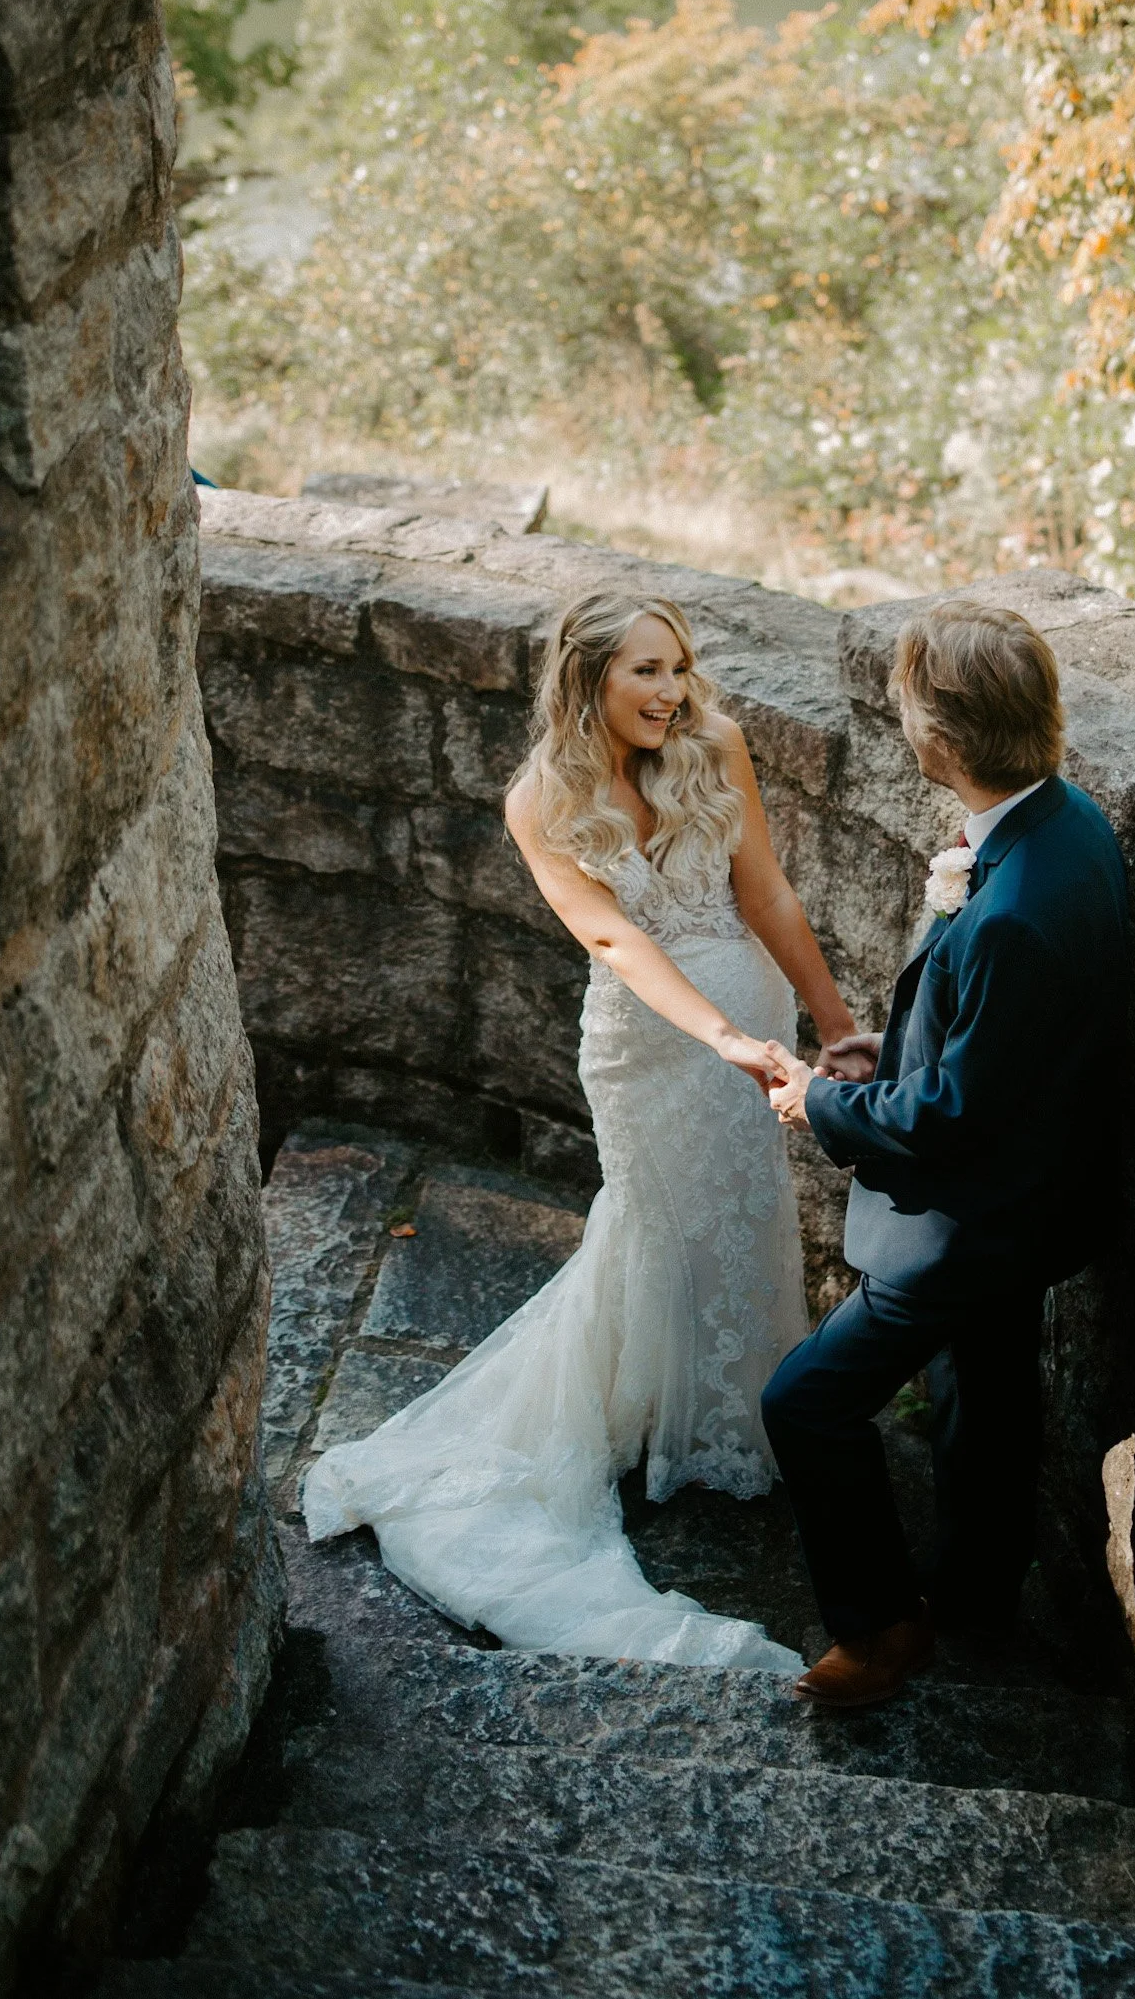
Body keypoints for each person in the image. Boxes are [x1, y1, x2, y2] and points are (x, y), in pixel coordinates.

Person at [304, 588, 860, 1668]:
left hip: (752, 1019)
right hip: (647, 1046)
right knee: (654, 1223)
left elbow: (767, 896)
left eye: (677, 667)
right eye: (645, 670)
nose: (670, 691)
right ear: (587, 677)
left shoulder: (715, 744)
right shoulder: (539, 800)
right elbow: (612, 938)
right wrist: (714, 1035)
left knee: (739, 1215)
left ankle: (731, 1418)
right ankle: (639, 1410)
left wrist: (833, 1028)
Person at [762, 599, 1128, 1708]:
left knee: (806, 1402)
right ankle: (976, 1596)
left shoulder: (1011, 908)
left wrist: (822, 1104)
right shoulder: (1064, 823)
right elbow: (1000, 1044)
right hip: (1037, 1196)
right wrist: (897, 1049)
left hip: (970, 1222)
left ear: (940, 738)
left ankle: (879, 1627)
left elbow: (953, 1117)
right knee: (985, 1393)